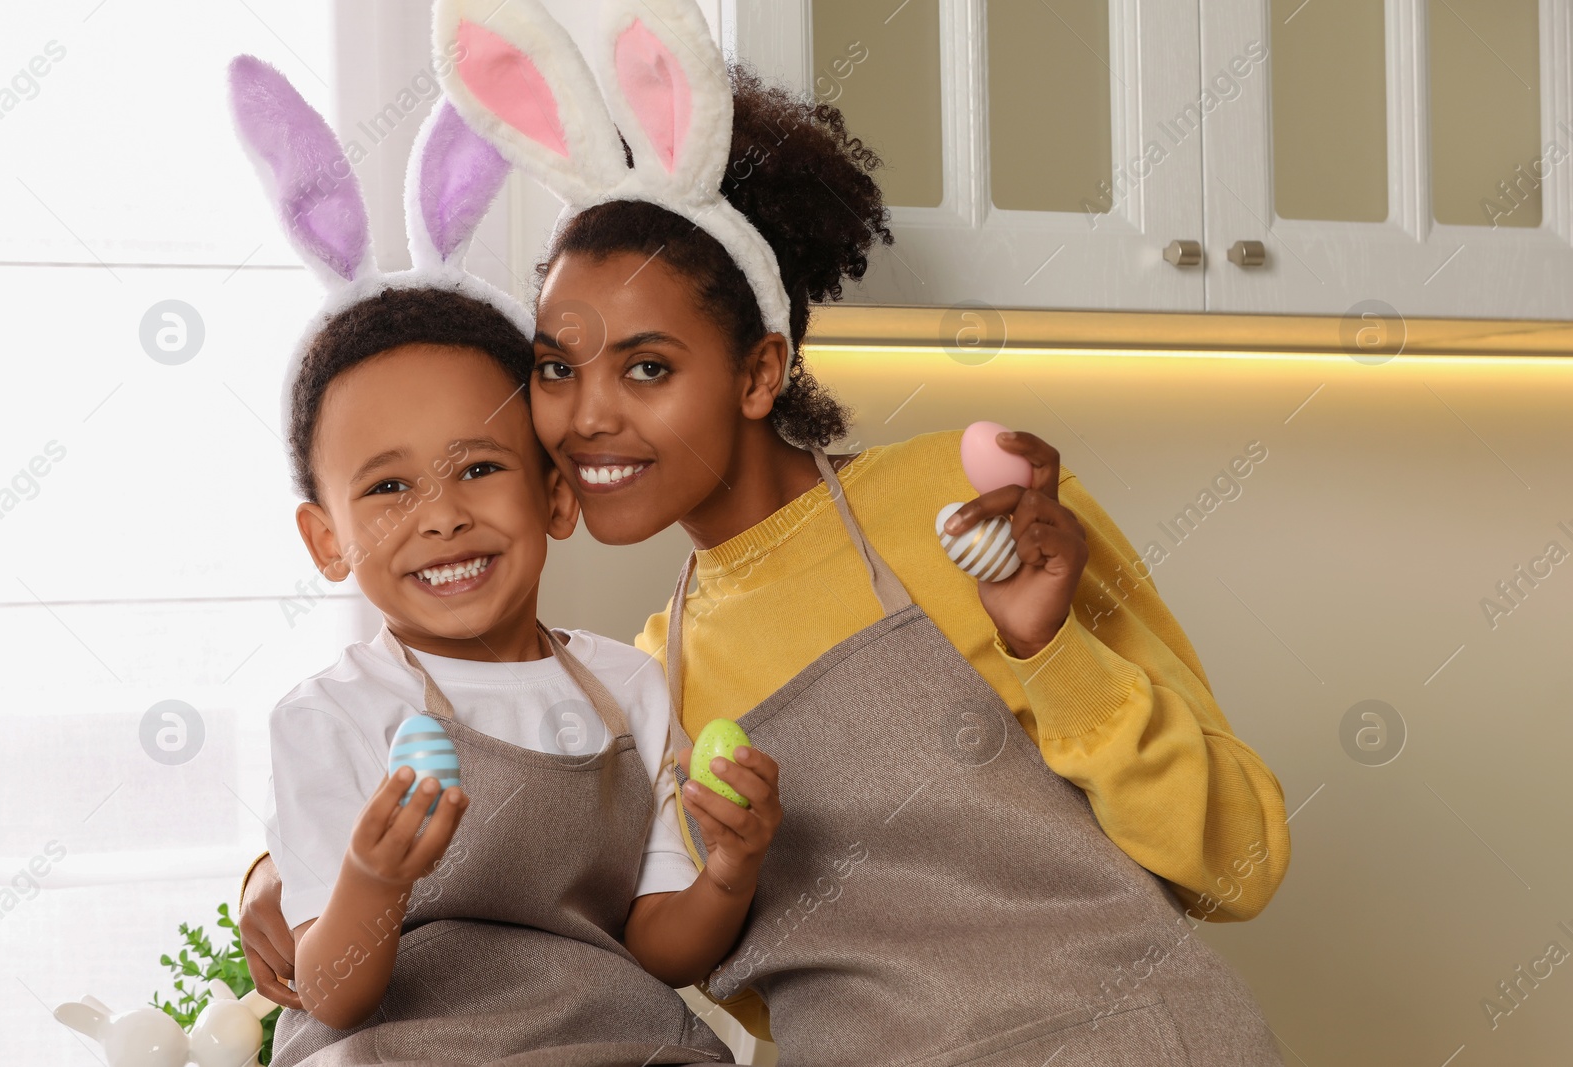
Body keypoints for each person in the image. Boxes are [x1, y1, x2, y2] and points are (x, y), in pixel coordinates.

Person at [241, 2, 1292, 1062]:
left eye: (646, 366)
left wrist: (1048, 649)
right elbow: (575, 909)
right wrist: (283, 870)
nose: (588, 413)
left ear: (759, 370)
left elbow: (1237, 859)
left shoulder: (963, 508)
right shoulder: (651, 677)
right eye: (557, 367)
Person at [229, 54, 776, 1067]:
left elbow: (657, 949)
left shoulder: (629, 684)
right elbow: (335, 996)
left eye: (479, 467)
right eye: (387, 488)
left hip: (610, 1037)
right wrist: (372, 876)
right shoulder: (331, 716)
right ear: (326, 539)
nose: (440, 517)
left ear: (556, 494)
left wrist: (729, 874)